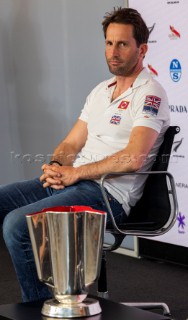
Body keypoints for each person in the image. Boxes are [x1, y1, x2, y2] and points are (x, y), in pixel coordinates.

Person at [0, 7, 169, 302]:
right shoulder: (101, 91)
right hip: (76, 183)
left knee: (17, 224)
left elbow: (134, 157)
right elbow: (71, 145)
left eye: (122, 44)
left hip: (108, 194)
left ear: (142, 49)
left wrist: (75, 173)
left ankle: (41, 308)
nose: (113, 52)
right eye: (108, 43)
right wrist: (56, 165)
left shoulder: (150, 93)